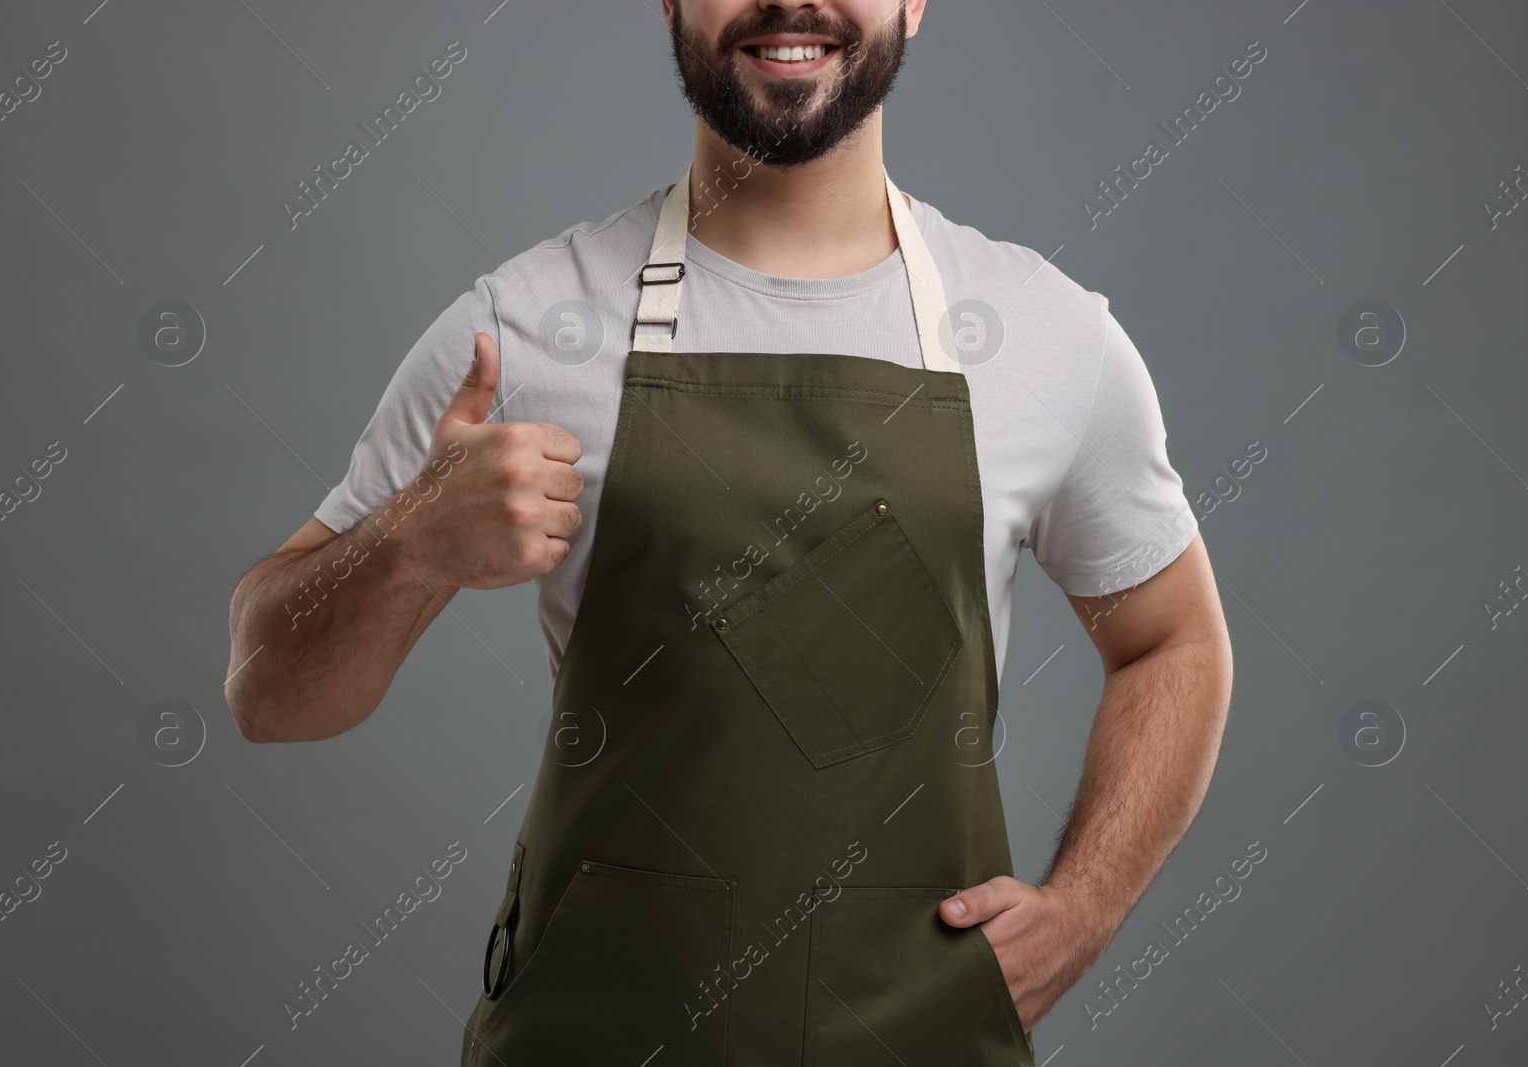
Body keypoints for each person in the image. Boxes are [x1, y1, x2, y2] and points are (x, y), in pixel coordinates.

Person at [224, 1, 1232, 1063]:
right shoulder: (523, 327)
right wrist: (409, 539)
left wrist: (1085, 906)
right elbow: (267, 691)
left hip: (917, 1033)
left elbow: (1174, 639)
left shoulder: (1045, 333)